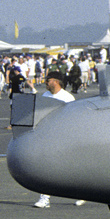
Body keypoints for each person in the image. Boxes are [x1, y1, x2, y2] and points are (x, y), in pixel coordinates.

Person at [32, 72, 83, 208]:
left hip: (65, 137)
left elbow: (73, 119)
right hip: (48, 136)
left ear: (56, 81)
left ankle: (81, 193)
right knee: (45, 166)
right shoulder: (45, 96)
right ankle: (44, 198)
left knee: (69, 168)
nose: (45, 82)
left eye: (48, 80)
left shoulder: (68, 98)